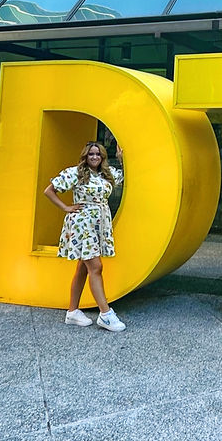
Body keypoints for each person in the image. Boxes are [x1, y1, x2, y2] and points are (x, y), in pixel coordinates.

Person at [43, 142, 126, 332]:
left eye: (98, 154)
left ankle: (72, 312)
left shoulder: (105, 174)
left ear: (103, 157)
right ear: (85, 156)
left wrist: (121, 160)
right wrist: (65, 207)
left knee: (83, 267)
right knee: (96, 266)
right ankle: (105, 314)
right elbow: (49, 190)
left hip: (99, 224)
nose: (95, 157)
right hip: (83, 224)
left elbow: (123, 177)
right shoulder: (76, 172)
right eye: (91, 154)